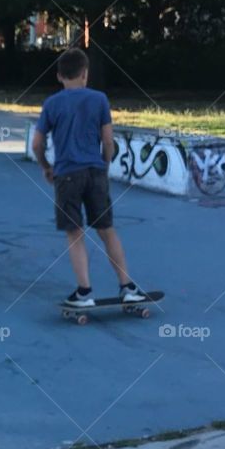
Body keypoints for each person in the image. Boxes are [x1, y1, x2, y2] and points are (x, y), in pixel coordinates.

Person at [32, 48, 145, 307]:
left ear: (60, 76)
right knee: (106, 230)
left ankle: (84, 292)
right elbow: (108, 141)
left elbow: (37, 143)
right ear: (85, 74)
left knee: (74, 232)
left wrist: (46, 166)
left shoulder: (52, 104)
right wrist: (103, 165)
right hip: (95, 172)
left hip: (67, 174)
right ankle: (127, 287)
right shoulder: (99, 100)